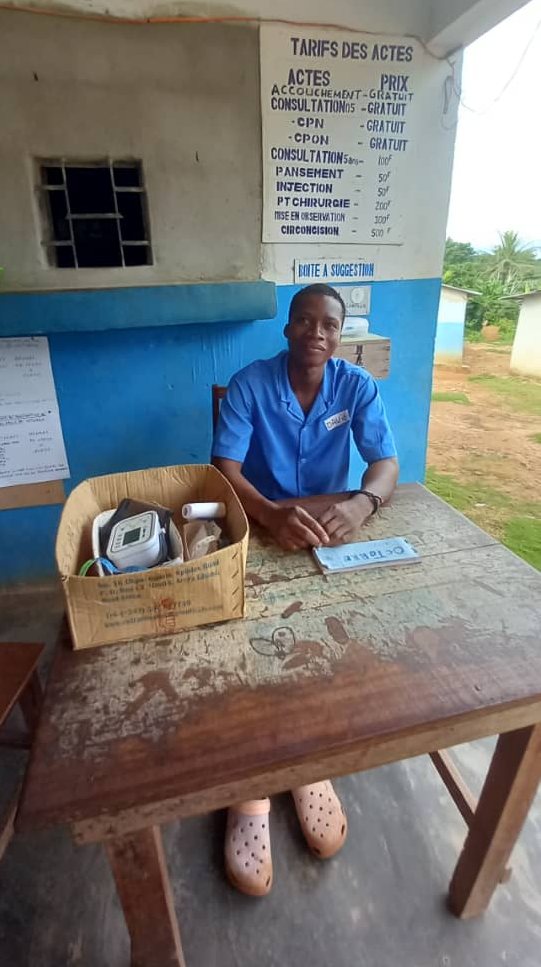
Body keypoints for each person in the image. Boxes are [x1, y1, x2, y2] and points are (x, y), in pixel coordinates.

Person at [212, 283, 399, 896]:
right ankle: (248, 792)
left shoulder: (356, 387)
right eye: (305, 321)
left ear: (340, 335)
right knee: (245, 647)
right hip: (258, 523)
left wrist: (363, 504)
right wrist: (270, 515)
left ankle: (308, 763)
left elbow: (386, 465)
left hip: (327, 530)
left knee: (324, 643)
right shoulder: (248, 385)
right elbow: (224, 471)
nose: (317, 333)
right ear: (288, 328)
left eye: (330, 324)